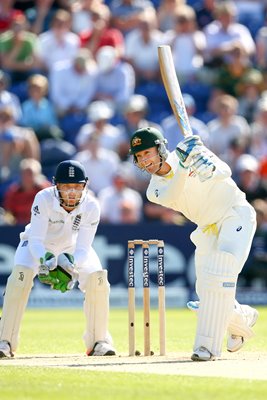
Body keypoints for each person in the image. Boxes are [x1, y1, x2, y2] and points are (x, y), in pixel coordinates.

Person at [129, 126, 259, 361]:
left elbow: (225, 171)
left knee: (218, 278)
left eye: (147, 153)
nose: (144, 160)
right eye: (139, 156)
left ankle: (206, 348)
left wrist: (205, 164)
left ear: (160, 148)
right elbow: (173, 192)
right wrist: (185, 164)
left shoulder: (192, 152)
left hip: (234, 214)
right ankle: (241, 317)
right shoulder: (154, 189)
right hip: (207, 227)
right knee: (205, 291)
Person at [0, 159, 116, 358]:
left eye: (77, 187)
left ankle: (99, 341)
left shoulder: (91, 205)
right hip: (38, 246)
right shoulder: (43, 198)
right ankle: (5, 341)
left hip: (72, 248)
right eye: (66, 187)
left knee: (97, 279)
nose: (72, 192)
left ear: (85, 185)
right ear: (56, 186)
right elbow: (36, 239)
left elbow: (84, 247)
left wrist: (70, 262)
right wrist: (45, 259)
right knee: (20, 277)